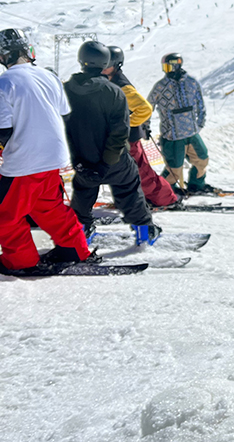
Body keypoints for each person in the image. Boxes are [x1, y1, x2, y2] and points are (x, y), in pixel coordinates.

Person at [0, 29, 92, 274]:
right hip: (53, 157)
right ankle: (74, 249)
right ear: (27, 51)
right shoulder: (48, 76)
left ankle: (21, 261)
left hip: (23, 161)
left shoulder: (4, 82)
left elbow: (3, 130)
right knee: (48, 207)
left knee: (5, 215)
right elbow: (64, 113)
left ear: (3, 57)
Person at [64, 41, 159, 241]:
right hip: (114, 160)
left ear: (82, 61)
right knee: (129, 187)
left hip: (83, 159)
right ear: (105, 61)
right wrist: (106, 163)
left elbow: (63, 124)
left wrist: (80, 160)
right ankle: (144, 232)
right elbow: (119, 132)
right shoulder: (114, 91)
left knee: (83, 191)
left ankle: (81, 233)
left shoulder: (66, 90)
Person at [102, 46, 179, 209]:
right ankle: (130, 200)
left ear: (116, 65)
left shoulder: (122, 86)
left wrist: (124, 125)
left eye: (106, 63)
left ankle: (167, 199)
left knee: (141, 173)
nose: (102, 66)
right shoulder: (107, 82)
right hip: (118, 139)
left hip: (129, 139)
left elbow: (145, 109)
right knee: (122, 174)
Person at [148, 52, 212, 194]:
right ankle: (165, 190)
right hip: (172, 135)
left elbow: (200, 104)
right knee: (174, 168)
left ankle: (197, 185)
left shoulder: (191, 83)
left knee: (202, 158)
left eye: (168, 67)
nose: (165, 70)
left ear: (177, 65)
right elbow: (148, 106)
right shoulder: (161, 86)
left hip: (191, 132)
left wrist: (199, 123)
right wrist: (145, 124)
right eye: (164, 67)